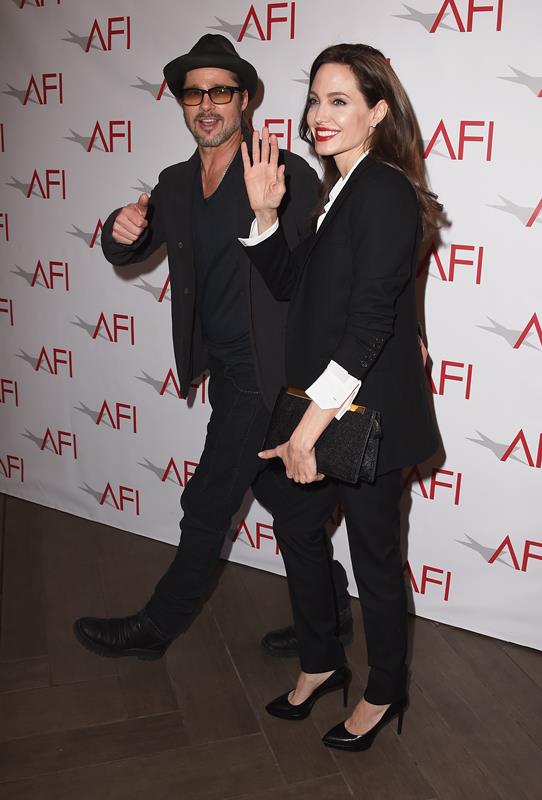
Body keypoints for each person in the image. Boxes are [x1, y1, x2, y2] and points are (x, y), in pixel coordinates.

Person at [72, 34, 353, 663]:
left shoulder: (282, 170)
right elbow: (131, 247)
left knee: (206, 501)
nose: (206, 105)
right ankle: (330, 616)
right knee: (287, 503)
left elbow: (322, 269)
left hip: (269, 370)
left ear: (245, 99)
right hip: (224, 367)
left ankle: (156, 627)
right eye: (194, 93)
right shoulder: (174, 184)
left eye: (220, 91)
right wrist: (119, 232)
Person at [240, 43, 441, 751]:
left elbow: (369, 324)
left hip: (366, 417)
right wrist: (265, 216)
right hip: (330, 402)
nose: (318, 115)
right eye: (314, 100)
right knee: (295, 521)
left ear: (378, 112)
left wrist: (307, 433)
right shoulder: (341, 190)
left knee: (374, 558)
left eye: (339, 101)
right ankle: (322, 660)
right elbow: (293, 285)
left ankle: (384, 690)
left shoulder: (381, 189)